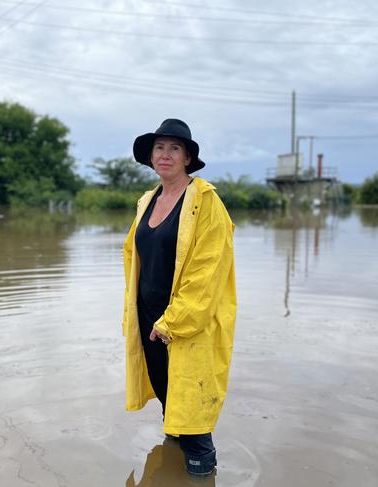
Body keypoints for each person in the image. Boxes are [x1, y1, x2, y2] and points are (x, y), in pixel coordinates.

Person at [122, 118, 236, 477]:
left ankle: (203, 475)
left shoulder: (205, 201)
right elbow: (135, 261)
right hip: (149, 320)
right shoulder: (147, 201)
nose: (165, 155)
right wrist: (139, 317)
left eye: (174, 148)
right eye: (159, 148)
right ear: (151, 157)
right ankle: (169, 474)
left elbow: (207, 271)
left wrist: (173, 321)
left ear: (188, 158)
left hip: (187, 323)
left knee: (194, 417)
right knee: (170, 405)